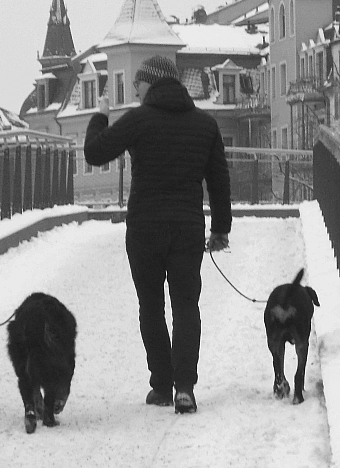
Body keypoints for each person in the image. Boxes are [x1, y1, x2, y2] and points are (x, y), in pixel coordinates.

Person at [84, 55, 231, 414]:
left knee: (150, 306)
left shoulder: (138, 120)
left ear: (151, 82)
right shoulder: (205, 124)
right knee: (185, 305)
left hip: (146, 227)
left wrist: (100, 116)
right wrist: (221, 229)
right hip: (187, 228)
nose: (135, 89)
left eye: (137, 83)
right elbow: (219, 181)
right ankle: (185, 389)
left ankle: (162, 385)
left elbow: (94, 151)